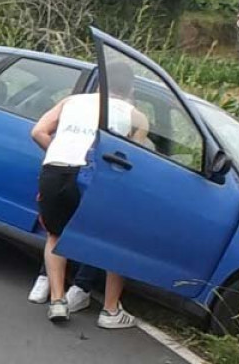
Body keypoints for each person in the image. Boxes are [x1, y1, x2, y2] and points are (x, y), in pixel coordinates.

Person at [30, 61, 150, 329]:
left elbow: (37, 131)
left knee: (55, 235)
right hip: (94, 178)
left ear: (99, 84)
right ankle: (110, 311)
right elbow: (132, 158)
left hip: (55, 169)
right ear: (130, 87)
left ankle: (58, 301)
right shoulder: (136, 116)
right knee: (113, 242)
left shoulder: (71, 101)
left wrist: (59, 149)